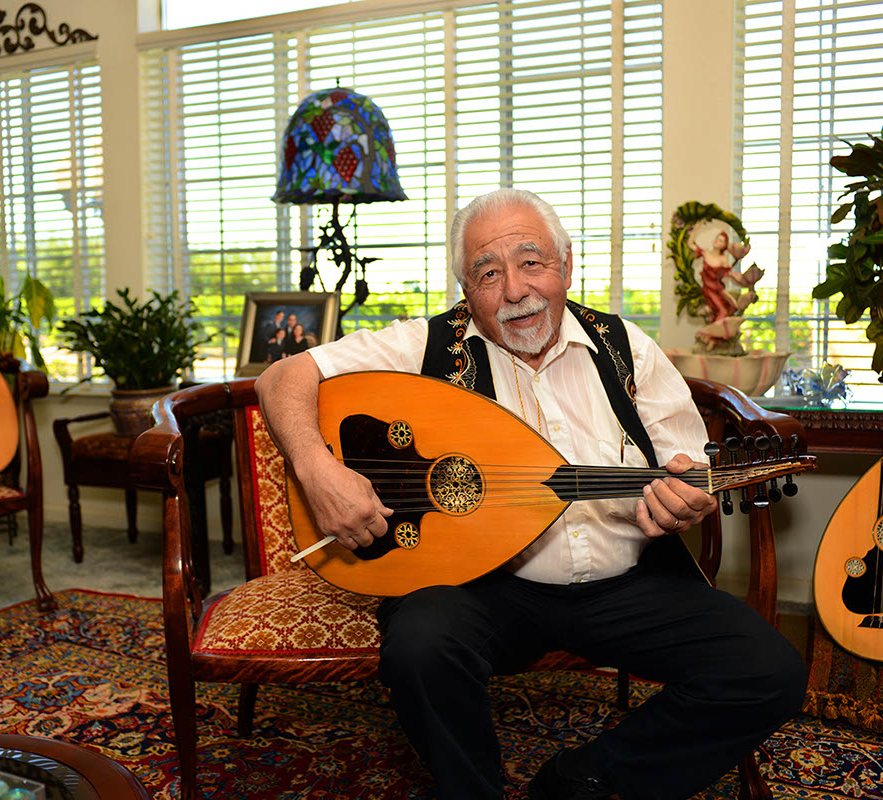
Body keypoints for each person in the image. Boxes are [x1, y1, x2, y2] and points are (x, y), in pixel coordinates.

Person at [255, 189, 806, 800]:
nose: (514, 289)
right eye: (488, 273)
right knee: (419, 647)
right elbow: (283, 376)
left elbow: (683, 467)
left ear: (566, 265)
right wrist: (315, 466)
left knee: (770, 672)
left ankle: (586, 779)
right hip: (483, 588)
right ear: (467, 290)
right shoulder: (427, 346)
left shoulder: (627, 348)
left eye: (531, 262)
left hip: (626, 579)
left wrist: (686, 502)